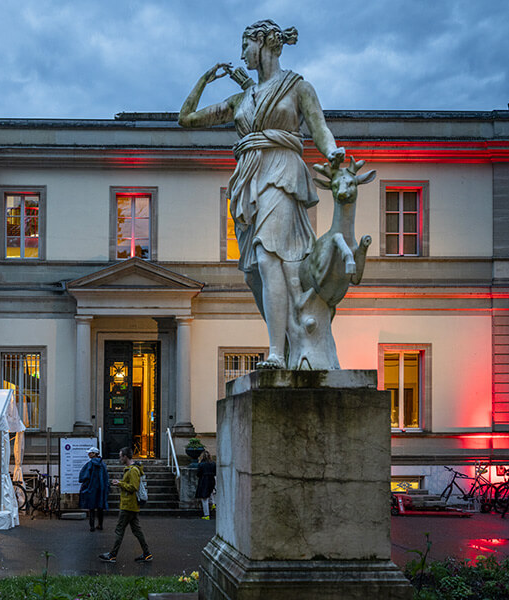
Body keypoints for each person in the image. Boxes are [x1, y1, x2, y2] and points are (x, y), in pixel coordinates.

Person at [179, 19, 345, 369]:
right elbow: (187, 118)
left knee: (270, 257)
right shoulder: (242, 97)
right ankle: (285, 344)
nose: (241, 55)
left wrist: (333, 154)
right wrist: (205, 80)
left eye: (245, 46)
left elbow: (320, 128)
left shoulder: (298, 87)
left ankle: (274, 354)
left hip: (281, 172)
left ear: (264, 43)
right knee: (255, 271)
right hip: (248, 180)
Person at [99, 447, 152, 563]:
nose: (119, 458)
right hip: (131, 505)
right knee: (137, 530)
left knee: (119, 530)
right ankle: (147, 553)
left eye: (120, 456)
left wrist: (120, 484)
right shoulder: (130, 469)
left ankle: (112, 555)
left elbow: (133, 487)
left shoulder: (133, 470)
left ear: (125, 457)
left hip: (128, 505)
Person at [78, 446, 109, 532]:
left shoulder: (90, 464)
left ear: (94, 454)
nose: (88, 454)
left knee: (91, 508)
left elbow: (83, 477)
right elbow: (106, 477)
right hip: (101, 489)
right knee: (100, 507)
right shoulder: (103, 464)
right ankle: (100, 524)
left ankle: (92, 526)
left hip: (92, 488)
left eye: (90, 453)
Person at [195, 450, 216, 520]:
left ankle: (206, 515)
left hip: (204, 480)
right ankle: (213, 503)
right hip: (212, 479)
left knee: (204, 498)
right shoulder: (213, 463)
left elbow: (198, 474)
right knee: (211, 492)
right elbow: (215, 472)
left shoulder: (201, 464)